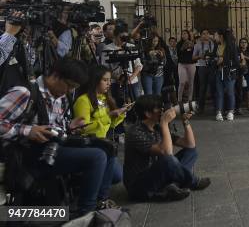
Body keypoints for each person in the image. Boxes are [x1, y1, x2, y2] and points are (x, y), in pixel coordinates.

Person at [0, 58, 113, 215]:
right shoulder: (25, 92)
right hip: (25, 154)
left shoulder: (61, 98)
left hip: (50, 149)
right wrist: (27, 130)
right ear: (56, 76)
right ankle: (86, 213)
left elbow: (53, 126)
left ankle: (101, 202)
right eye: (69, 86)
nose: (68, 91)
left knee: (106, 148)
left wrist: (68, 127)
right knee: (97, 157)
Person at [123, 94, 210, 201]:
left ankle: (172, 187)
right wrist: (164, 123)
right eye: (158, 108)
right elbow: (166, 152)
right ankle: (193, 182)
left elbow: (190, 145)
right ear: (148, 113)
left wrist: (185, 121)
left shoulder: (157, 127)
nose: (162, 110)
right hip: (139, 186)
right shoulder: (135, 132)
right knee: (169, 160)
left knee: (191, 152)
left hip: (157, 175)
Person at [73, 65, 128, 209]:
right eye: (105, 80)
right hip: (90, 143)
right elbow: (81, 128)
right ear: (95, 81)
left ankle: (94, 184)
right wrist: (108, 116)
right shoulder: (83, 100)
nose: (109, 83)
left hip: (104, 143)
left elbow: (110, 124)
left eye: (110, 80)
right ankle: (100, 197)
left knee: (117, 176)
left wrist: (120, 115)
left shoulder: (104, 98)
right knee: (111, 171)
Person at [101, 26, 143, 105]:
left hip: (132, 82)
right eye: (122, 37)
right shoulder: (108, 48)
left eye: (126, 37)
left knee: (136, 104)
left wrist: (130, 78)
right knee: (118, 104)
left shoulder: (131, 47)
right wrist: (119, 78)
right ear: (115, 36)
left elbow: (139, 65)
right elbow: (104, 68)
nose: (124, 39)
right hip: (115, 82)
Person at [213, 29, 240, 121]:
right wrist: (215, 61)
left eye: (216, 35)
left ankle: (230, 112)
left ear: (221, 36)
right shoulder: (217, 46)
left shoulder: (232, 46)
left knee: (230, 93)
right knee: (219, 93)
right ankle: (219, 112)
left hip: (229, 73)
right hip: (218, 73)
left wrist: (223, 61)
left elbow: (236, 62)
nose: (215, 37)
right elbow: (214, 58)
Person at [192, 29, 216, 111]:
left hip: (212, 67)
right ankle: (201, 108)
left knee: (213, 86)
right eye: (203, 34)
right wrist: (200, 56)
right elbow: (193, 57)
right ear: (201, 35)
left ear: (209, 35)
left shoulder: (213, 44)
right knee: (202, 87)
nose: (205, 35)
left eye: (207, 33)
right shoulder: (197, 45)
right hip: (202, 67)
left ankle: (216, 107)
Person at [236, 37, 249, 113]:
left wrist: (244, 56)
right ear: (240, 44)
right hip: (239, 73)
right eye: (242, 42)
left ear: (247, 44)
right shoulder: (237, 52)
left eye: (245, 42)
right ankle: (239, 107)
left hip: (248, 72)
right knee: (239, 90)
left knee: (248, 89)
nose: (243, 44)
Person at [176, 30, 196, 103]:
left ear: (188, 35)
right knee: (182, 82)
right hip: (182, 64)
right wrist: (184, 46)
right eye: (183, 34)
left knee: (191, 82)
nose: (184, 35)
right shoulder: (179, 44)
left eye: (185, 34)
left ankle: (189, 100)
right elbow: (179, 53)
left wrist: (192, 45)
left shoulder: (193, 43)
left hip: (191, 64)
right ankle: (179, 100)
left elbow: (195, 53)